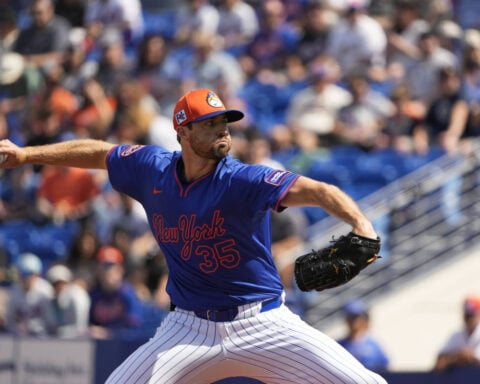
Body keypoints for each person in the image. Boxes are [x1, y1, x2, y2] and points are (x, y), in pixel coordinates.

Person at [0, 88, 386, 383]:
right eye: (210, 124)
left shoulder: (242, 179)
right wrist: (27, 155)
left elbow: (318, 191)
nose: (223, 131)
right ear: (183, 131)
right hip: (188, 328)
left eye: (225, 123)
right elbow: (99, 153)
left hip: (263, 323)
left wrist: (361, 225)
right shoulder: (151, 168)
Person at [337, 299, 390, 373]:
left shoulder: (373, 345)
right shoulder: (339, 345)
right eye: (350, 317)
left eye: (355, 317)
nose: (353, 321)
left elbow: (385, 367)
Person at [434, 295, 480, 371]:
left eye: (471, 315)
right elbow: (440, 361)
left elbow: (475, 359)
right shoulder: (457, 335)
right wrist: (458, 356)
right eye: (467, 315)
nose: (468, 318)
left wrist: (462, 357)